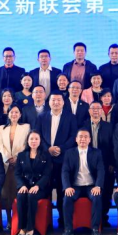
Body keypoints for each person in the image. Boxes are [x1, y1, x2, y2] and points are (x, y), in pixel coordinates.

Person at [39, 91, 78, 221]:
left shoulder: (71, 117)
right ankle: (47, 220)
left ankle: (63, 219)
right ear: (49, 102)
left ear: (63, 102)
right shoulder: (42, 117)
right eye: (53, 100)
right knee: (46, 189)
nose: (56, 102)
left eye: (58, 100)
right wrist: (47, 149)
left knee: (63, 189)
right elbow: (37, 135)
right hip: (46, 159)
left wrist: (61, 148)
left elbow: (73, 136)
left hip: (64, 159)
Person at [62, 128, 106, 235]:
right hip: (75, 186)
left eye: (86, 137)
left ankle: (95, 228)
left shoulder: (97, 152)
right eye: (80, 137)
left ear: (89, 139)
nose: (83, 139)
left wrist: (98, 186)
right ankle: (68, 228)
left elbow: (101, 170)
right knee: (67, 198)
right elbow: (65, 171)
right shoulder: (69, 153)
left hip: (91, 186)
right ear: (76, 139)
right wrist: (67, 187)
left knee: (97, 197)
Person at [82, 101, 114, 226]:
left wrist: (112, 163)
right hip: (87, 164)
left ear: (101, 111)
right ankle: (91, 218)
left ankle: (104, 217)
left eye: (98, 108)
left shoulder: (109, 126)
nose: (95, 110)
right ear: (89, 111)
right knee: (93, 191)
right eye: (93, 108)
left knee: (106, 191)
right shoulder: (83, 125)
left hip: (106, 164)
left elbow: (113, 146)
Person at [14, 131, 52, 235]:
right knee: (20, 196)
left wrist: (37, 186)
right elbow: (17, 173)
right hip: (25, 186)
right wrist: (22, 185)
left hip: (40, 188)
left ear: (40, 141)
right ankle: (22, 228)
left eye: (36, 139)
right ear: (27, 140)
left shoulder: (46, 155)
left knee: (32, 196)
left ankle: (30, 228)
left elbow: (47, 175)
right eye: (31, 139)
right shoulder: (21, 155)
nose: (33, 141)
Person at [0, 104, 29, 230]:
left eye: (16, 112)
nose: (14, 114)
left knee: (17, 192)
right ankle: (9, 221)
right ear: (8, 114)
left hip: (20, 164)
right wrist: (7, 158)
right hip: (6, 165)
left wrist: (17, 157)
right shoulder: (1, 128)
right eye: (12, 112)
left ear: (20, 114)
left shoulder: (26, 127)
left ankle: (18, 220)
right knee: (6, 193)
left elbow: (26, 144)